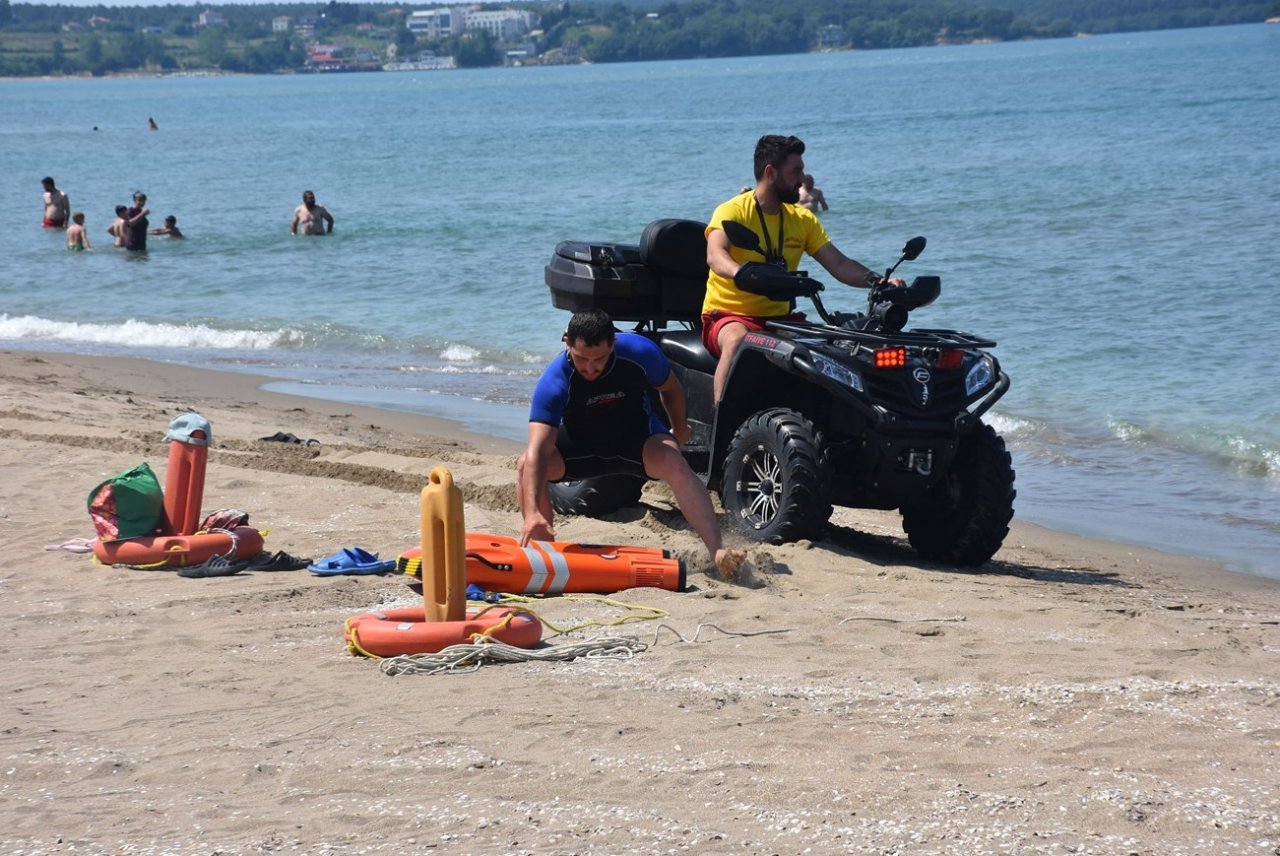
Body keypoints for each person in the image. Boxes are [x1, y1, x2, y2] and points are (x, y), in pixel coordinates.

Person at [518, 309, 745, 579]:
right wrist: (531, 511)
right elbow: (537, 451)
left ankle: (717, 551)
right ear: (566, 342)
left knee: (673, 460)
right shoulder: (554, 381)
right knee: (525, 466)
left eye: (598, 359)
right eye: (581, 358)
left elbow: (671, 389)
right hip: (581, 449)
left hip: (635, 442)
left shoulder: (640, 352)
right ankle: (544, 551)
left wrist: (680, 429)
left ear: (613, 342)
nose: (590, 367)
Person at [702, 134, 903, 403]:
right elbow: (715, 254)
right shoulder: (732, 211)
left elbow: (840, 265)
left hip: (781, 319)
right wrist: (741, 273)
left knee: (832, 351)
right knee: (739, 340)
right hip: (729, 316)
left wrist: (880, 282)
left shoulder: (802, 219)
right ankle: (723, 430)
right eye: (796, 171)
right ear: (771, 173)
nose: (803, 178)